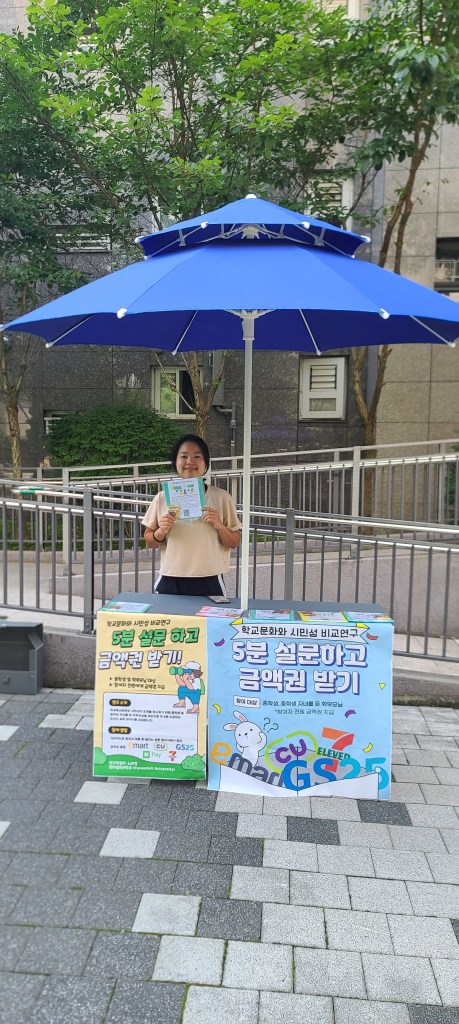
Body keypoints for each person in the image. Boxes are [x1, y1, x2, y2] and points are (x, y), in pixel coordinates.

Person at [142, 434, 241, 596]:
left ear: (206, 464)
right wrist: (161, 531)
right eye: (184, 456)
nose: (190, 462)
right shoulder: (162, 498)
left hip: (210, 578)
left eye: (197, 457)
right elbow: (149, 541)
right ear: (175, 462)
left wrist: (219, 526)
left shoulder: (222, 497)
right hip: (170, 577)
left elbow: (234, 542)